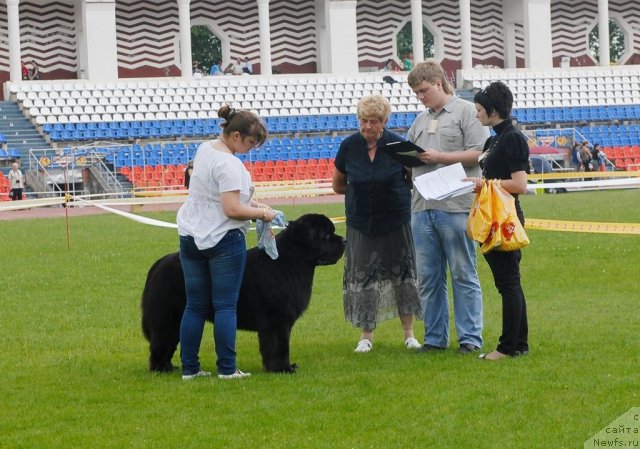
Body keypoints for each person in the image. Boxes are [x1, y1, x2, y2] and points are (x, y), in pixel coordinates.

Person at [176, 104, 276, 380]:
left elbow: (214, 195)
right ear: (235, 136)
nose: (252, 148)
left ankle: (189, 368)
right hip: (222, 237)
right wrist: (263, 213)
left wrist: (254, 203)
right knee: (224, 306)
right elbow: (232, 209)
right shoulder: (230, 164)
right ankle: (227, 369)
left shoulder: (205, 149)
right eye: (250, 142)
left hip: (190, 234)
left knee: (195, 305)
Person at [407, 60, 488, 354]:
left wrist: (439, 157)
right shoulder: (419, 120)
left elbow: (479, 154)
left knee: (463, 273)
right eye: (417, 93)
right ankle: (434, 338)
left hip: (456, 204)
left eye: (424, 90)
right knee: (428, 277)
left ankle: (469, 338)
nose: (421, 96)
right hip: (421, 205)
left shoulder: (467, 113)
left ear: (439, 83)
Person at [332, 94, 422, 353]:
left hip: (396, 220)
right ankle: (366, 335)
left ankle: (409, 333)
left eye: (374, 121)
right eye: (363, 120)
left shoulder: (401, 145)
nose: (368, 126)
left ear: (384, 122)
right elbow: (338, 184)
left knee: (403, 274)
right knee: (364, 277)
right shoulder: (348, 146)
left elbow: (415, 178)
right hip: (361, 222)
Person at [466, 81, 530, 360]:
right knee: (510, 282)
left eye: (480, 109)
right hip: (493, 217)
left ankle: (506, 347)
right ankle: (520, 344)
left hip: (504, 219)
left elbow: (519, 184)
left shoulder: (512, 138)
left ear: (493, 110)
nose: (477, 115)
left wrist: (485, 185)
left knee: (508, 283)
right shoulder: (495, 139)